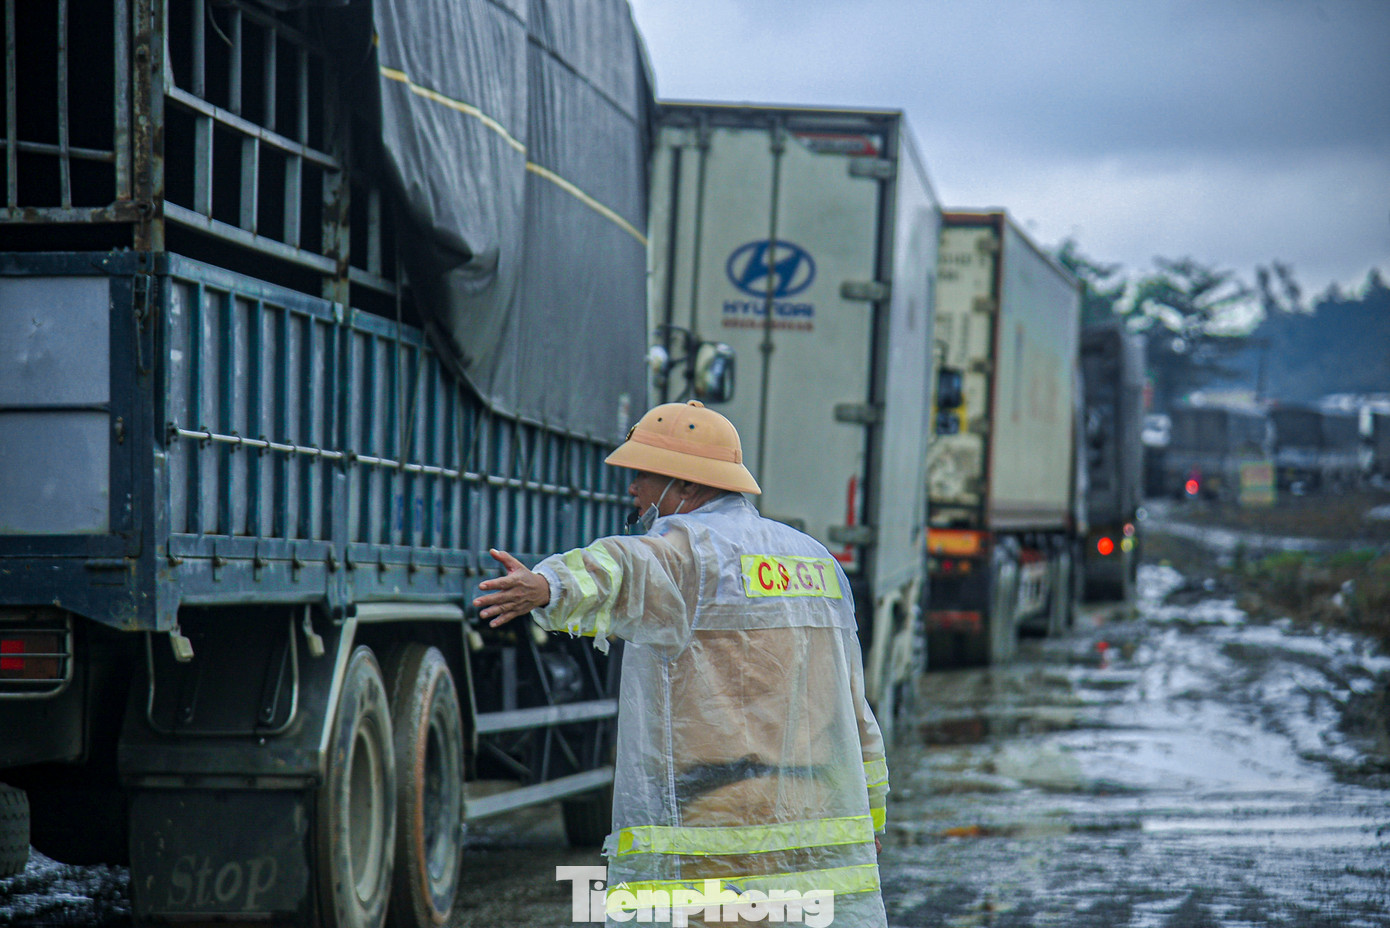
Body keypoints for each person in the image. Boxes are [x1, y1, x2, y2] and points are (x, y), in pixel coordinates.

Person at [474, 400, 889, 927]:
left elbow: (622, 567)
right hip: (813, 816)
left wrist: (547, 585)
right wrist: (870, 817)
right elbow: (855, 715)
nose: (633, 490)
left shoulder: (693, 551)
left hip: (716, 822)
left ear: (687, 486)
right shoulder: (817, 562)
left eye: (643, 475)